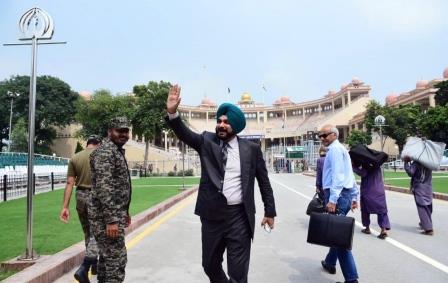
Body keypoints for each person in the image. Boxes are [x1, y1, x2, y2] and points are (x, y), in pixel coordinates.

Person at [166, 85, 276, 283]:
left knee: (239, 272)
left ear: (235, 124)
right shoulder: (207, 141)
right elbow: (183, 133)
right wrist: (173, 114)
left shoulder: (250, 150)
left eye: (226, 122)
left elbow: (264, 182)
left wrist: (270, 211)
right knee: (209, 265)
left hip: (239, 217)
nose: (221, 125)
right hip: (212, 217)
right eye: (219, 121)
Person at [88, 117, 132, 282]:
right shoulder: (107, 152)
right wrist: (112, 220)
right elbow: (105, 188)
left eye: (126, 131)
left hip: (113, 214)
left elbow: (117, 186)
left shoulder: (115, 150)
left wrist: (124, 212)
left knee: (107, 260)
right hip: (106, 217)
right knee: (116, 260)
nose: (123, 134)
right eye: (119, 131)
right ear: (109, 131)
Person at [319, 125, 359, 283]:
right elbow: (349, 174)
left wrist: (332, 200)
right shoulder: (339, 149)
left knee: (340, 238)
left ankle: (351, 279)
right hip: (345, 194)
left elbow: (339, 175)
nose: (322, 138)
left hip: (339, 195)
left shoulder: (335, 150)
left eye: (325, 135)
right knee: (337, 234)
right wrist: (355, 196)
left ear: (334, 135)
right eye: (320, 135)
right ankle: (330, 262)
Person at [60, 135, 101, 283]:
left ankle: (95, 265)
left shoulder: (75, 158)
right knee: (97, 233)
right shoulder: (100, 156)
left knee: (88, 232)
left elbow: (70, 183)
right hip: (95, 197)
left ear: (88, 144)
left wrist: (65, 207)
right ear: (98, 144)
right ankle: (85, 267)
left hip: (80, 196)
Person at [352, 164, 391, 239]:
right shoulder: (377, 164)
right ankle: (383, 229)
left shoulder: (366, 165)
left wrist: (353, 167)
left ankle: (367, 228)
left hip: (368, 190)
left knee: (365, 210)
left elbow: (363, 173)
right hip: (379, 190)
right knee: (382, 210)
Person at [403, 156, 434, 235]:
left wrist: (406, 162)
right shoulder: (429, 162)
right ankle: (424, 223)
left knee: (421, 207)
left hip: (419, 187)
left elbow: (410, 172)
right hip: (428, 187)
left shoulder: (417, 163)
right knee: (428, 206)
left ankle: (428, 229)